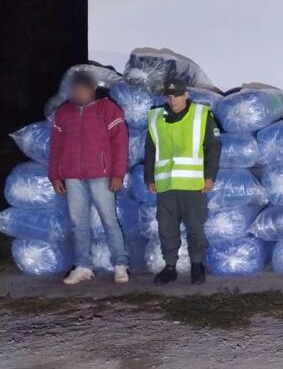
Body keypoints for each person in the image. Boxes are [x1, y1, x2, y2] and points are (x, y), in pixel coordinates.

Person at [48, 70, 131, 285]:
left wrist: (117, 174)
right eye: (76, 89)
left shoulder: (108, 109)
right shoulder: (63, 113)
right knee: (78, 224)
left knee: (109, 220)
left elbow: (120, 145)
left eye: (83, 88)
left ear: (93, 88)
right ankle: (83, 266)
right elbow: (56, 147)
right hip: (73, 176)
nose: (79, 92)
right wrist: (55, 175)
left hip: (101, 176)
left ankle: (120, 265)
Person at [145, 79, 221, 285]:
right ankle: (170, 267)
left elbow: (213, 148)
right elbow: (151, 150)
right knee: (166, 229)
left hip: (192, 185)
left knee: (195, 227)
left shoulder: (201, 115)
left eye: (177, 95)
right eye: (169, 96)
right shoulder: (156, 118)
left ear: (186, 94)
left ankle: (197, 265)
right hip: (166, 185)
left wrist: (210, 176)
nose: (173, 99)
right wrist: (149, 178)